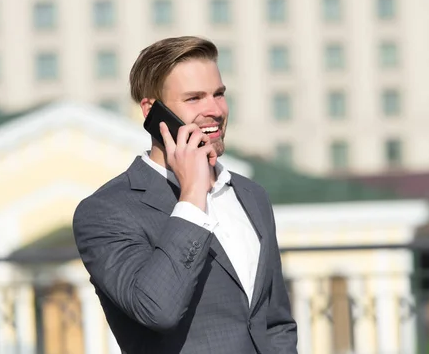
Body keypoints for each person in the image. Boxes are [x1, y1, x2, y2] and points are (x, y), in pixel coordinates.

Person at [72, 36, 297, 353]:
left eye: (219, 94)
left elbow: (275, 323)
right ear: (153, 111)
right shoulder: (106, 212)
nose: (215, 110)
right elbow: (156, 309)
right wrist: (192, 194)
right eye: (194, 99)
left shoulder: (251, 195)